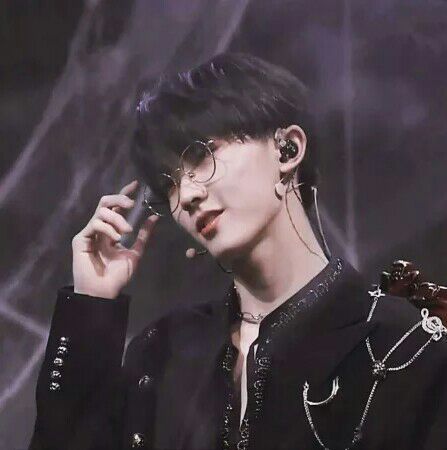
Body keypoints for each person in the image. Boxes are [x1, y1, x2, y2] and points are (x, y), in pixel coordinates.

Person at [29, 53, 447, 450]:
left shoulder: (402, 346)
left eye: (201, 154)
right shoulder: (162, 353)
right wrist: (92, 305)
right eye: (169, 183)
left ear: (287, 149)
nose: (187, 195)